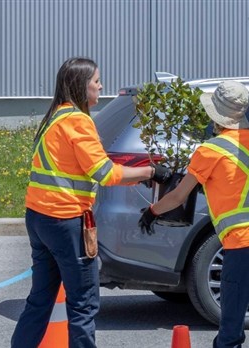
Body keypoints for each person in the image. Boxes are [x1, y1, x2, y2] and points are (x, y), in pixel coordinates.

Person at [138, 80, 249, 348]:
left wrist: (152, 212)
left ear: (215, 117)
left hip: (245, 244)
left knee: (231, 328)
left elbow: (177, 196)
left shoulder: (209, 151)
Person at [11, 57, 170, 348]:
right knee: (83, 303)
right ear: (82, 86)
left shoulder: (55, 118)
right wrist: (149, 171)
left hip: (39, 217)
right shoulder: (78, 122)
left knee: (39, 300)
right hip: (65, 221)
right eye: (97, 81)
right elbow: (105, 173)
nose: (101, 86)